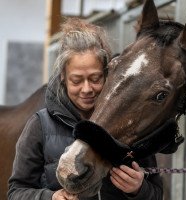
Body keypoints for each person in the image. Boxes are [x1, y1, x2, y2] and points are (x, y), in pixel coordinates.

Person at [8, 18, 163, 200]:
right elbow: (16, 192)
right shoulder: (40, 125)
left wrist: (139, 189)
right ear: (63, 78)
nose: (87, 89)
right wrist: (50, 197)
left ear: (107, 74)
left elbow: (157, 194)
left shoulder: (128, 123)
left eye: (95, 78)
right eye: (77, 80)